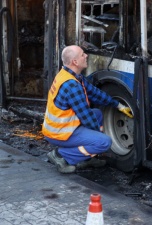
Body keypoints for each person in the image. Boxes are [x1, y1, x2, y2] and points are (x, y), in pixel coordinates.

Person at [42, 45, 133, 173]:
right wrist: (98, 141)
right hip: (59, 134)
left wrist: (117, 105)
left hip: (60, 127)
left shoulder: (70, 75)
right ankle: (61, 155)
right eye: (82, 54)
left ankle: (87, 158)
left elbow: (94, 93)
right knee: (104, 142)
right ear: (75, 62)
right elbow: (86, 118)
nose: (86, 56)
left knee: (98, 114)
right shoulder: (71, 85)